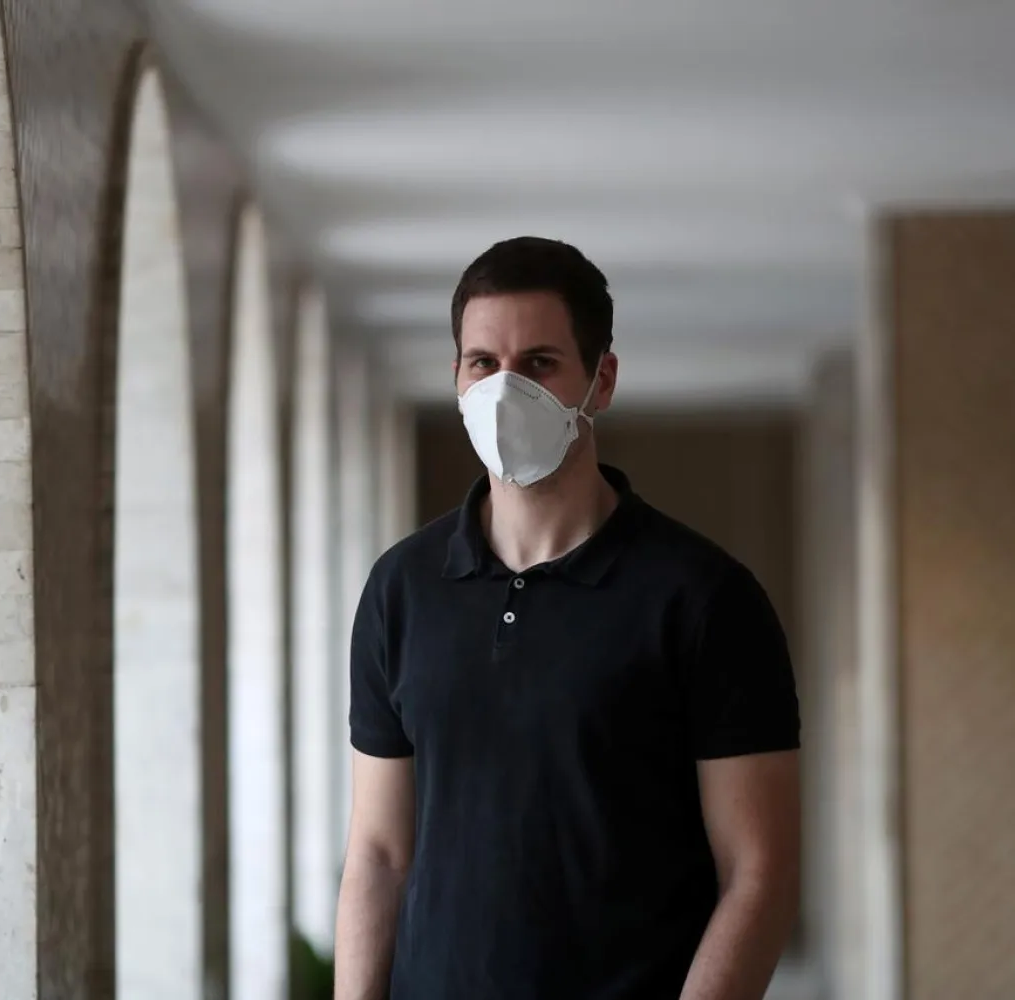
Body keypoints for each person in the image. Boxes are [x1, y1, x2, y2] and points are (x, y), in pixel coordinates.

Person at [335, 237, 801, 1000]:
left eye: (540, 363)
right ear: (457, 377)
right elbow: (380, 856)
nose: (505, 388)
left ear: (601, 379)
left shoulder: (704, 599)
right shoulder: (401, 590)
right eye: (483, 362)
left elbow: (760, 872)